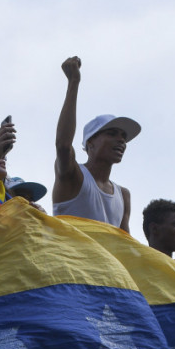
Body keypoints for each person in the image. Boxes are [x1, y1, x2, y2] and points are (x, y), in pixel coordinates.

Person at [52, 57, 139, 231]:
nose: (121, 140)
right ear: (90, 143)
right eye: (112, 133)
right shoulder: (73, 175)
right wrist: (73, 82)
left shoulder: (123, 195)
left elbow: (124, 245)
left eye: (123, 136)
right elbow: (63, 145)